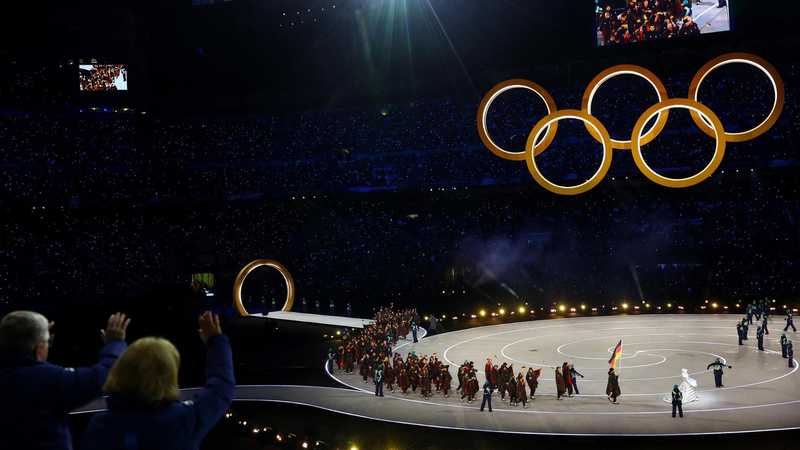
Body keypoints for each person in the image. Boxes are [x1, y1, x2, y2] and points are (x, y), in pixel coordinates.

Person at [81, 312, 234, 450]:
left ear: (122, 370)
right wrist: (216, 340)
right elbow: (221, 387)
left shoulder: (100, 425)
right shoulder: (183, 420)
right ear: (169, 374)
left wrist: (113, 345)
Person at [0, 311, 130, 450]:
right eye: (47, 342)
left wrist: (38, 340)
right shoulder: (51, 379)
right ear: (39, 347)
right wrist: (115, 344)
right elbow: (104, 375)